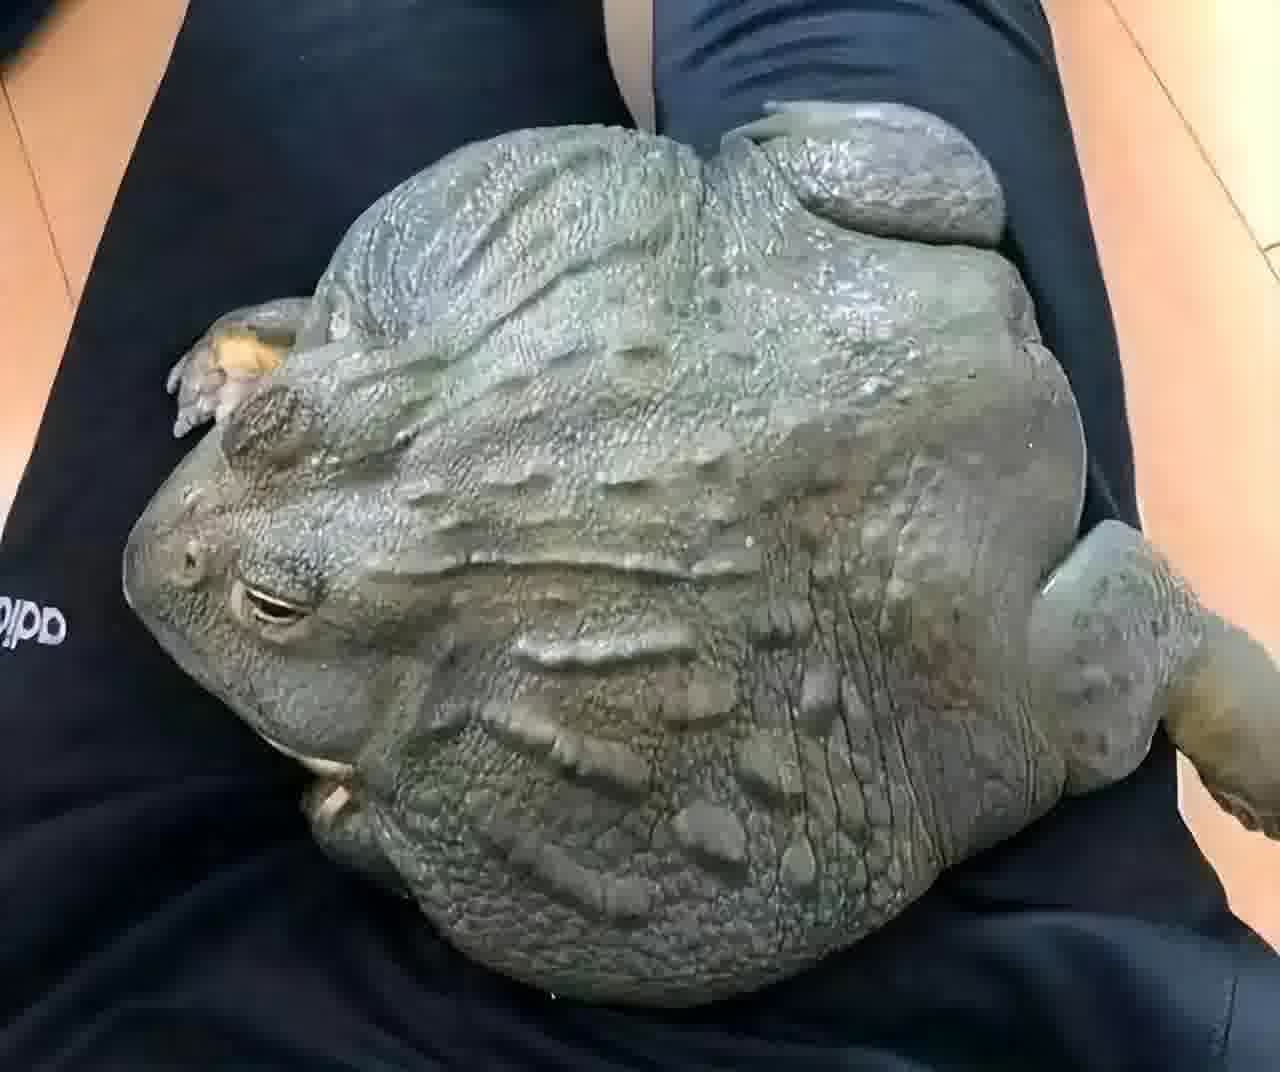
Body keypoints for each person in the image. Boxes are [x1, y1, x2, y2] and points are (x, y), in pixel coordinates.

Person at [2, 1, 1277, 1068]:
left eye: (279, 424)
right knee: (860, 28)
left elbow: (395, 841)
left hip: (138, 948)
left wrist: (366, 815)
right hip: (1050, 955)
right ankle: (1188, 664)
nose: (192, 536)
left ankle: (1178, 652)